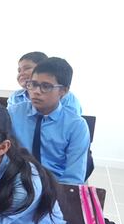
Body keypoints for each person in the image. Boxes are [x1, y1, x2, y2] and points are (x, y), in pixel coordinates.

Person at [8, 57, 90, 185]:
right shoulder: (12, 114)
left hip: (55, 186)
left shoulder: (76, 126)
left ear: (63, 91)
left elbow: (73, 178)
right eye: (33, 84)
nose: (36, 92)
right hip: (17, 183)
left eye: (46, 86)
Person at [6, 51, 82, 115]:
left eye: (27, 68)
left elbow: (70, 123)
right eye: (19, 70)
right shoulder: (16, 96)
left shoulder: (67, 97)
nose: (21, 73)